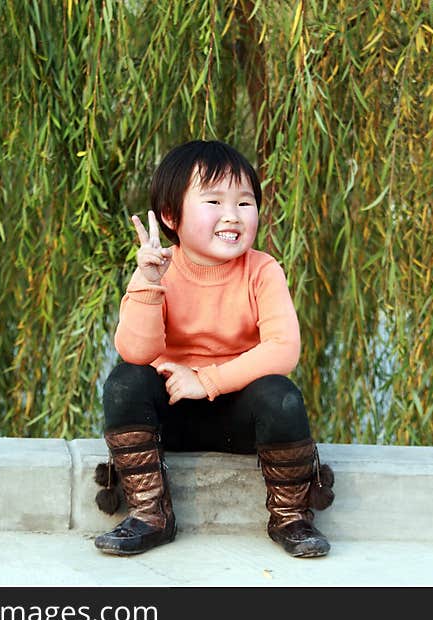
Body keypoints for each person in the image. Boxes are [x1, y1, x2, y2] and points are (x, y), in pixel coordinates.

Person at [93, 139, 334, 558]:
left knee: (280, 395)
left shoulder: (262, 270)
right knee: (124, 382)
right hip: (171, 415)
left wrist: (207, 380)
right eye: (214, 201)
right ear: (171, 215)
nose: (232, 215)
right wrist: (147, 283)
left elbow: (283, 349)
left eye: (244, 203)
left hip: (236, 416)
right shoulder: (159, 269)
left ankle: (291, 516)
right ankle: (150, 514)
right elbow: (135, 350)